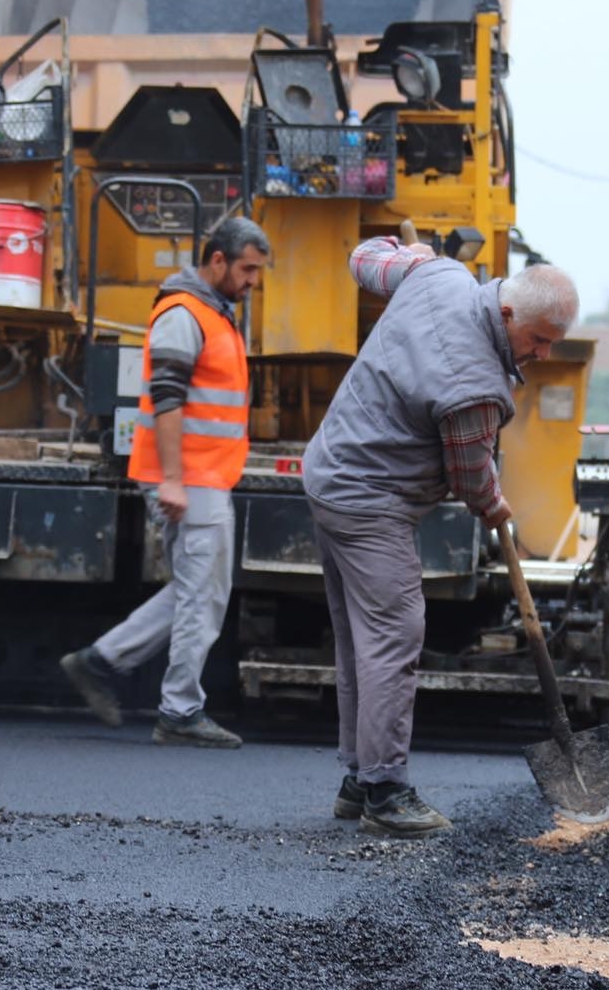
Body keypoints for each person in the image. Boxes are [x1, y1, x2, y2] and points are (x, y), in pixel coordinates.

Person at [304, 233, 578, 837]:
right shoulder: (477, 386)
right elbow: (470, 477)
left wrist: (412, 250)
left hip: (330, 472)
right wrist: (496, 505)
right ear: (507, 313)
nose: (540, 354)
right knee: (394, 637)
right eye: (537, 340)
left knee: (361, 639)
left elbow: (363, 258)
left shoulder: (439, 274)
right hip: (368, 499)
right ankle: (385, 788)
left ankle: (358, 777)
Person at [59, 218, 271, 747]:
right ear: (217, 261)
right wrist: (174, 480)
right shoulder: (184, 314)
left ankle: (99, 661)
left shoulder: (211, 315)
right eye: (247, 269)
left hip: (200, 475)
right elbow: (169, 398)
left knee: (194, 589)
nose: (252, 281)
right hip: (189, 478)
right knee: (203, 595)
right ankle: (178, 710)